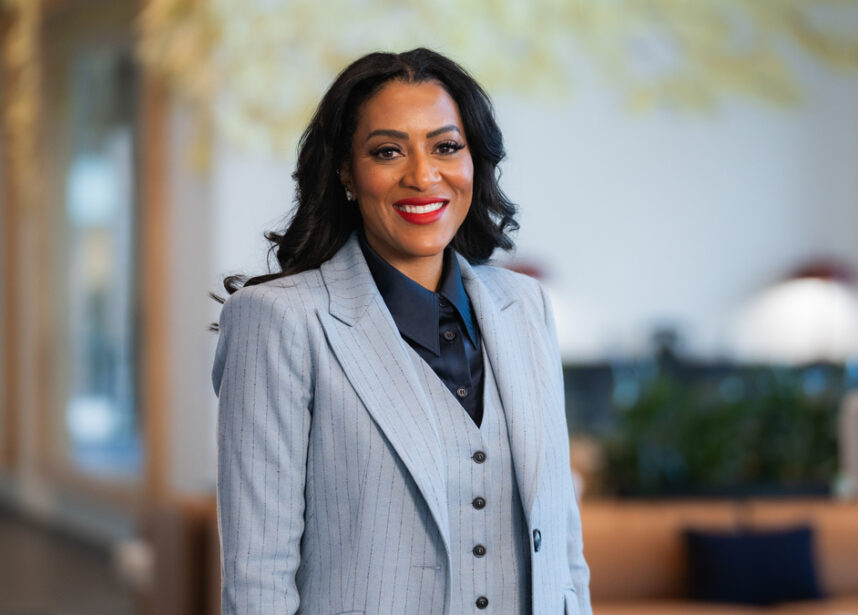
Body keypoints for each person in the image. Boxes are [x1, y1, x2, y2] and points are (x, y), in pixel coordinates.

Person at [211, 47, 591, 615]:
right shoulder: (278, 321)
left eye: (446, 147)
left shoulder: (526, 306)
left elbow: (563, 544)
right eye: (388, 151)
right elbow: (258, 574)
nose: (422, 176)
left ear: (475, 160)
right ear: (346, 171)